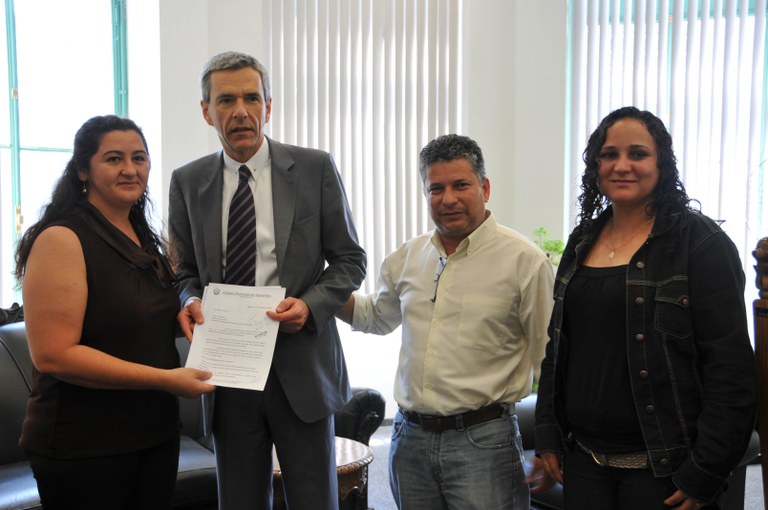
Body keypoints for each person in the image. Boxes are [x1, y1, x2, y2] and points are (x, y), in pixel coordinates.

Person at [530, 106, 758, 509]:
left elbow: (730, 367)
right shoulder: (582, 240)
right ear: (595, 165)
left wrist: (707, 470)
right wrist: (548, 434)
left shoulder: (700, 244)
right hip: (584, 462)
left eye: (637, 154)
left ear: (661, 163)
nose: (622, 166)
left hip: (664, 468)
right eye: (609, 155)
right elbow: (558, 349)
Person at [168, 51, 366, 510]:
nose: (240, 111)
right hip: (228, 371)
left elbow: (350, 260)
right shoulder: (187, 182)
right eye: (226, 100)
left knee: (315, 501)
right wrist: (189, 299)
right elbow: (183, 271)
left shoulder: (314, 169)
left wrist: (310, 305)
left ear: (269, 106)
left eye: (251, 98)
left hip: (302, 367)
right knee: (238, 500)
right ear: (206, 111)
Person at [336, 134, 554, 509]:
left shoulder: (525, 261)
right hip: (410, 440)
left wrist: (551, 444)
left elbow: (549, 359)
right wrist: (321, 290)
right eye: (436, 188)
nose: (448, 198)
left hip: (484, 442)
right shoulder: (408, 256)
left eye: (460, 185)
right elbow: (374, 316)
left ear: (485, 188)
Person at [14, 115, 215, 510]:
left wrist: (189, 315)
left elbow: (133, 321)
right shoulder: (61, 239)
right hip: (84, 447)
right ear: (82, 170)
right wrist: (167, 380)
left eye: (139, 158)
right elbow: (54, 355)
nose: (129, 169)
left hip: (154, 436)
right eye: (113, 159)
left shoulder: (142, 236)